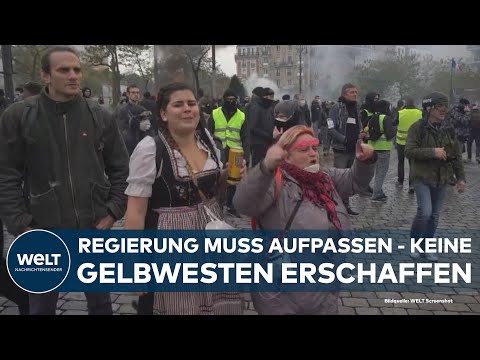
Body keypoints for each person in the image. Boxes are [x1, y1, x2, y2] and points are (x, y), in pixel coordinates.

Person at [0, 45, 130, 315]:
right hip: (41, 231)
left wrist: (112, 212)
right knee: (40, 307)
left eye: (77, 70)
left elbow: (121, 170)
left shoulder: (100, 116)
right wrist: (21, 225)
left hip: (93, 229)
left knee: (101, 305)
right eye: (64, 70)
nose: (73, 76)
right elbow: (6, 175)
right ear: (45, 75)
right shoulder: (19, 116)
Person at [123, 82, 245, 315]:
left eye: (191, 103)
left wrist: (226, 175)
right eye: (178, 105)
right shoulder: (150, 149)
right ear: (163, 114)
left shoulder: (206, 139)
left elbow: (211, 192)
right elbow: (135, 212)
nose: (188, 109)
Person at [233, 125, 376, 314]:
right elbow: (244, 204)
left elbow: (354, 181)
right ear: (286, 156)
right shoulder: (276, 181)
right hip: (283, 287)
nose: (312, 154)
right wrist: (265, 167)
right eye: (304, 150)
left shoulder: (324, 177)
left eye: (314, 148)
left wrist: (365, 161)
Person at [405, 92, 465, 262]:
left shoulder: (448, 129)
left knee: (434, 216)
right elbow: (409, 151)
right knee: (425, 212)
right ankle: (416, 244)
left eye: (445, 106)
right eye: (440, 106)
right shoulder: (417, 128)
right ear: (429, 108)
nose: (443, 110)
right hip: (421, 177)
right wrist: (433, 152)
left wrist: (460, 178)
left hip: (442, 179)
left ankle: (427, 247)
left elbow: (456, 156)